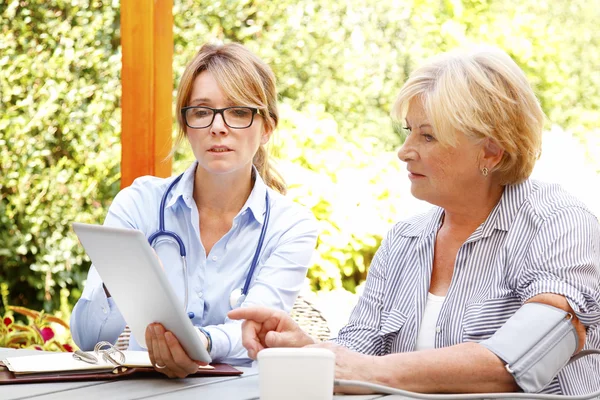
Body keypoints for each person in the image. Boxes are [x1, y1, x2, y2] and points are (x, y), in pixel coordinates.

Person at [229, 46, 600, 395]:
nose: (404, 151)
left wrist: (370, 372)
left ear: (491, 150)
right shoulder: (404, 239)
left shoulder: (558, 223)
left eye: (428, 135)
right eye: (410, 131)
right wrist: (310, 355)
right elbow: (355, 353)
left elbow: (521, 359)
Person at [71, 42, 319, 378]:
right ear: (186, 126)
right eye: (202, 112)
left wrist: (200, 342)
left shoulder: (291, 226)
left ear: (267, 127)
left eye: (238, 111)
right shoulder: (137, 205)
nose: (218, 126)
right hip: (144, 390)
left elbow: (256, 331)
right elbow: (89, 341)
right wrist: (115, 287)